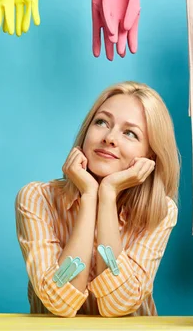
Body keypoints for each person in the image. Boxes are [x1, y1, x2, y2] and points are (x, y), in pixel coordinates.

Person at [15, 81, 180, 318]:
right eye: (102, 122)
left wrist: (108, 194)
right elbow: (60, 303)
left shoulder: (162, 211)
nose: (110, 138)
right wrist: (90, 195)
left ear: (149, 155)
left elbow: (118, 305)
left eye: (130, 133)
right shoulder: (36, 199)